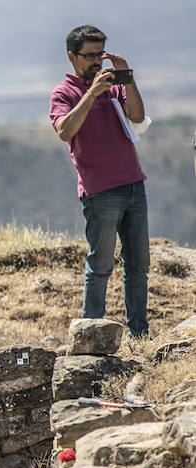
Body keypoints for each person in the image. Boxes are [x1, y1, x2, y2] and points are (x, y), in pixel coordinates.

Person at [49, 24, 149, 338]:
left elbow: (136, 115)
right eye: (89, 56)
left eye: (100, 55)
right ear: (71, 56)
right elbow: (65, 130)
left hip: (134, 183)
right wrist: (92, 93)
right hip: (99, 191)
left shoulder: (114, 86)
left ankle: (139, 333)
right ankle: (90, 333)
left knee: (138, 264)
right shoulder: (64, 93)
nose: (96, 62)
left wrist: (126, 76)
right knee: (101, 264)